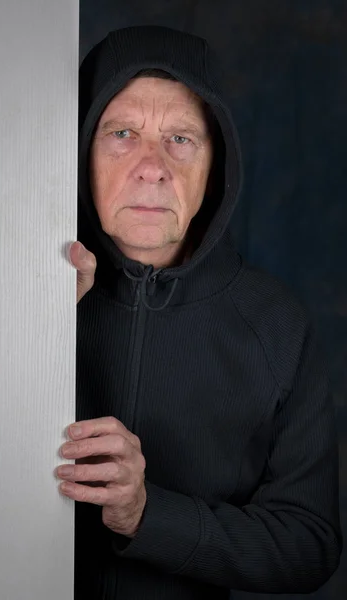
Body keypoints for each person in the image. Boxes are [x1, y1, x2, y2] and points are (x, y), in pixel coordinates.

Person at [55, 25, 342, 599]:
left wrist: (147, 514)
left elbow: (309, 544)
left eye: (181, 139)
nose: (152, 166)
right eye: (122, 132)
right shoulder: (15, 291)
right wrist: (42, 327)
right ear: (82, 149)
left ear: (216, 167)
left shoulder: (276, 325)